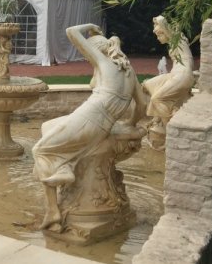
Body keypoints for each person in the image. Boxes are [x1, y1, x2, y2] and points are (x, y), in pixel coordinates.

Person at [32, 24, 147, 231]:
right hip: (102, 127)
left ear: (97, 51)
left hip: (88, 118)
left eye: (88, 55)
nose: (87, 59)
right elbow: (142, 106)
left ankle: (53, 209)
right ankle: (64, 165)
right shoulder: (129, 72)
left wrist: (91, 27)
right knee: (47, 125)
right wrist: (129, 125)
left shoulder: (103, 62)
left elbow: (71, 32)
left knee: (39, 150)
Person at [142, 16, 194, 148]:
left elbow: (164, 23)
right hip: (174, 74)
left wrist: (160, 22)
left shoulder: (177, 38)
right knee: (147, 84)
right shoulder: (173, 42)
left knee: (157, 98)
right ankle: (160, 116)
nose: (157, 36)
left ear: (166, 30)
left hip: (182, 75)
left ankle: (170, 131)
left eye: (159, 33)